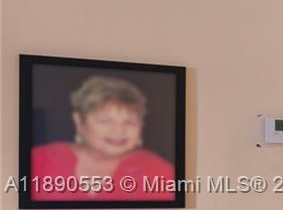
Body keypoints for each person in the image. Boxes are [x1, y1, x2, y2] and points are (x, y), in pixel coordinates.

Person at [30, 76, 175, 201]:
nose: (119, 130)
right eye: (104, 120)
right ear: (79, 121)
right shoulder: (39, 159)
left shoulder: (160, 171)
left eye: (130, 121)